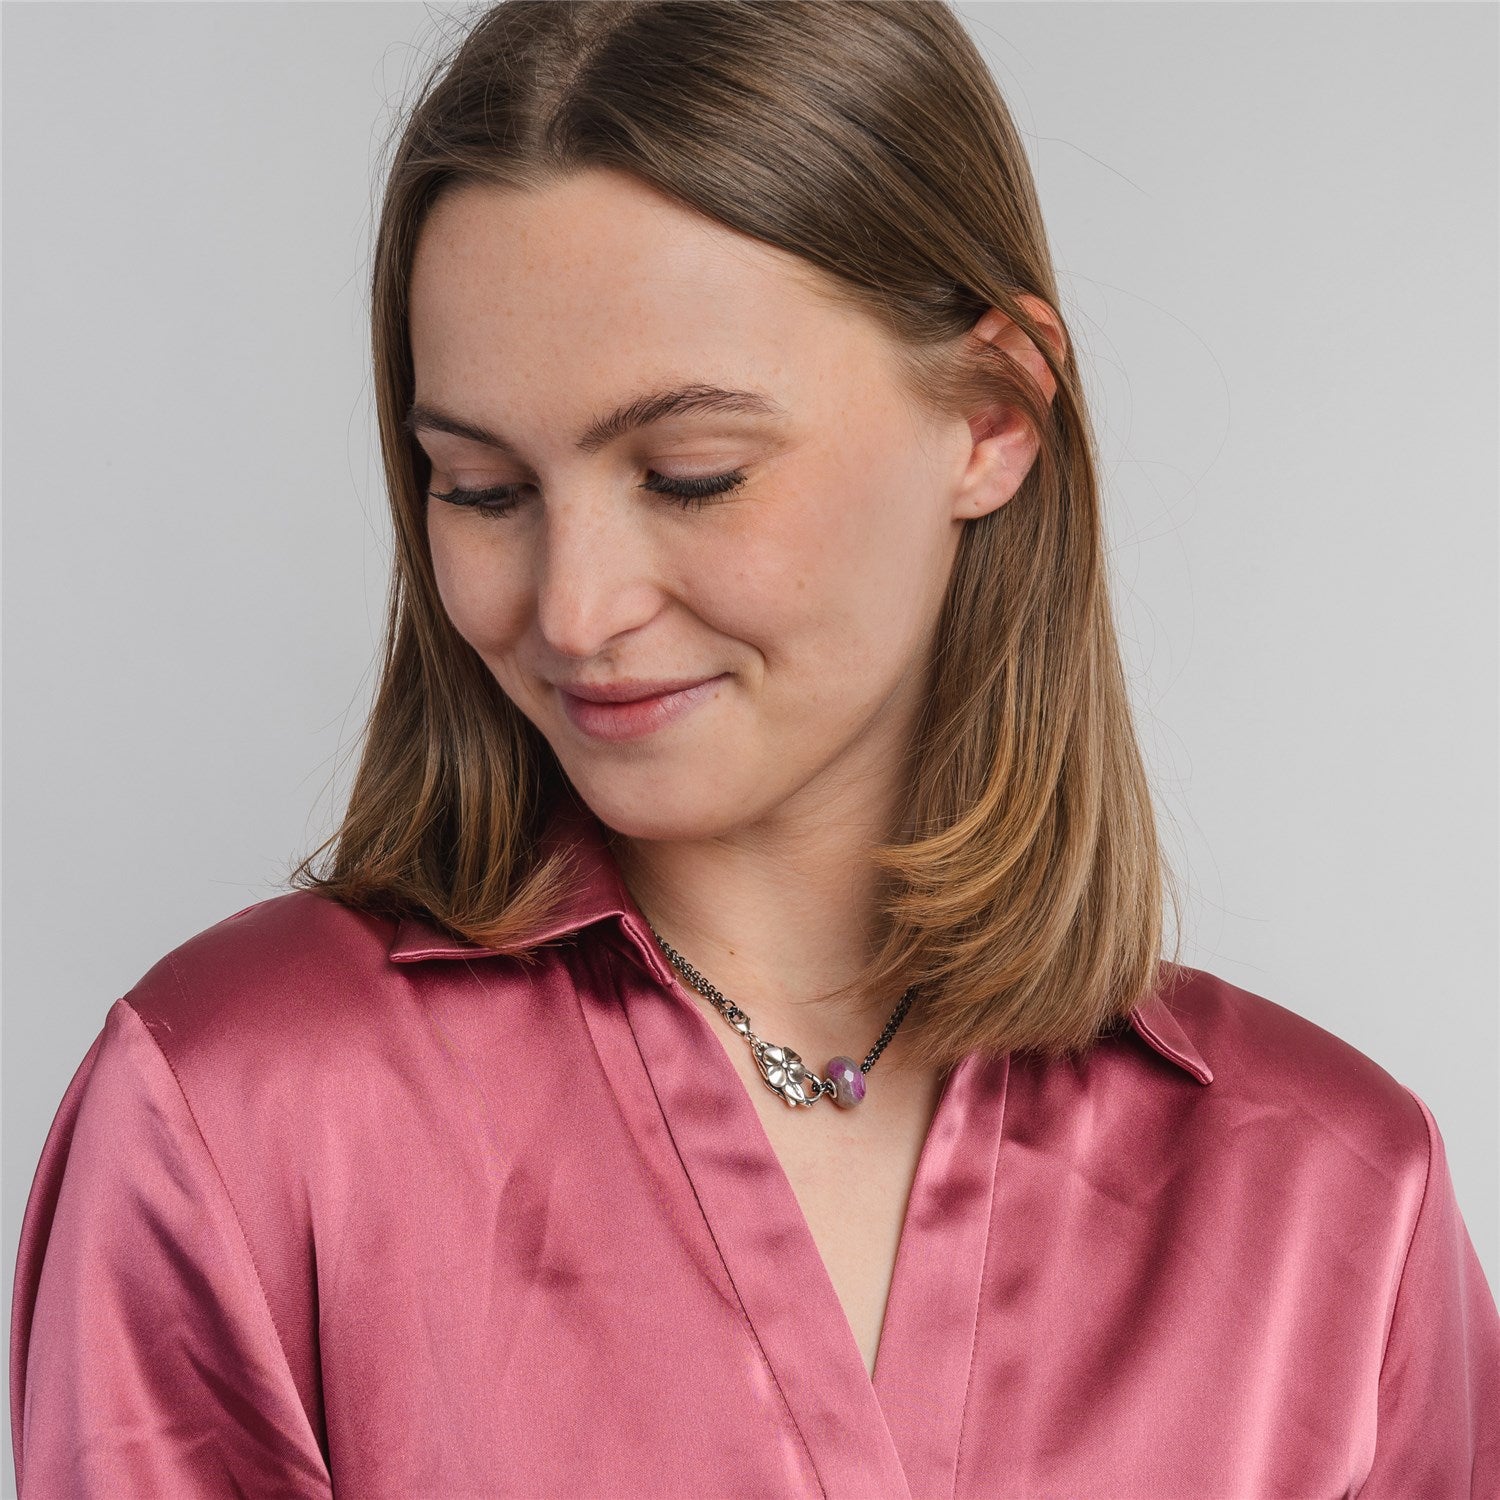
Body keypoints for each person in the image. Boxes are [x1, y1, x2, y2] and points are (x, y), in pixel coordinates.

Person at [10, 1, 1498, 1495]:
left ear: (992, 416)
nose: (576, 611)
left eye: (691, 475)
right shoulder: (244, 1111)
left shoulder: (1337, 1205)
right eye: (482, 490)